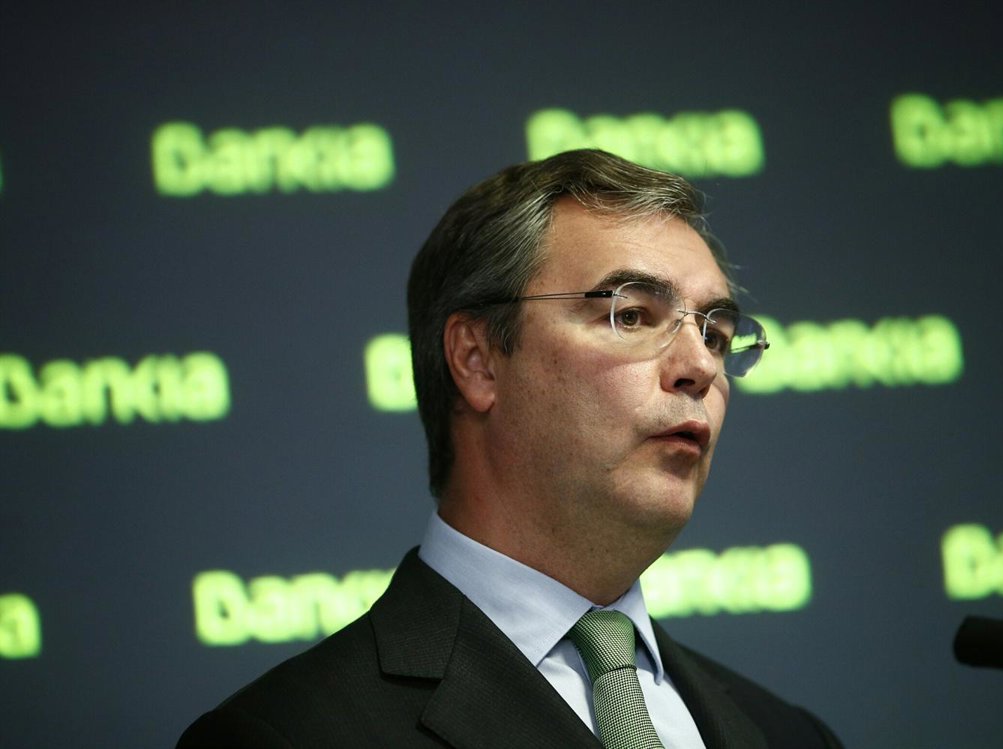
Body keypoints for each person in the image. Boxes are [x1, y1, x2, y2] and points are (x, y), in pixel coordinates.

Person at [178, 149, 841, 748]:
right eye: (632, 314)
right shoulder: (284, 736)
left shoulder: (790, 734)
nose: (699, 366)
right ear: (477, 360)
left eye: (717, 334)